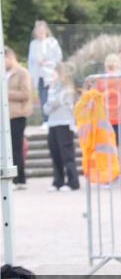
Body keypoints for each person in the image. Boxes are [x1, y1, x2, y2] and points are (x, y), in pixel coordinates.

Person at [95, 53, 121, 185]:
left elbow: (97, 99)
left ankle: (110, 178)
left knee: (108, 149)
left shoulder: (100, 80)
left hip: (106, 119)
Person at [43, 62, 80, 191]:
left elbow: (56, 102)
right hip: (53, 123)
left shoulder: (68, 89)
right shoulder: (52, 88)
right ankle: (58, 181)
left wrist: (51, 103)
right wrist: (51, 99)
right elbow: (46, 108)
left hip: (64, 124)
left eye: (54, 73)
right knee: (55, 153)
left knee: (67, 154)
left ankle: (72, 182)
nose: (52, 76)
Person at [5, 47, 32, 189]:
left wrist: (5, 93)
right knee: (7, 150)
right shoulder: (4, 74)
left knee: (16, 148)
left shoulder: (22, 73)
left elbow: (26, 94)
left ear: (9, 57)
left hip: (18, 115)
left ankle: (19, 179)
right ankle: (12, 178)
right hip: (5, 117)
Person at [27, 21, 62, 127]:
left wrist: (48, 63)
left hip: (51, 73)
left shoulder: (52, 42)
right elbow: (30, 60)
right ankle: (46, 119)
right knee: (42, 97)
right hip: (38, 74)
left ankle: (53, 118)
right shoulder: (33, 44)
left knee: (51, 96)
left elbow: (58, 58)